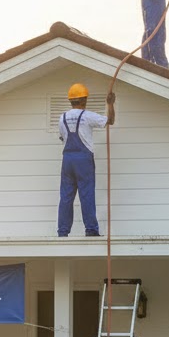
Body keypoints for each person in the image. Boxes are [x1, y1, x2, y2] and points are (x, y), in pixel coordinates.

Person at [58, 82, 116, 237]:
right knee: (87, 194)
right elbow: (110, 120)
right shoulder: (87, 116)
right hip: (83, 159)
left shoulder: (61, 117)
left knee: (66, 196)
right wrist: (110, 104)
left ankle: (63, 232)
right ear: (83, 100)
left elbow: (62, 137)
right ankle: (91, 229)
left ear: (71, 100)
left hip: (67, 160)